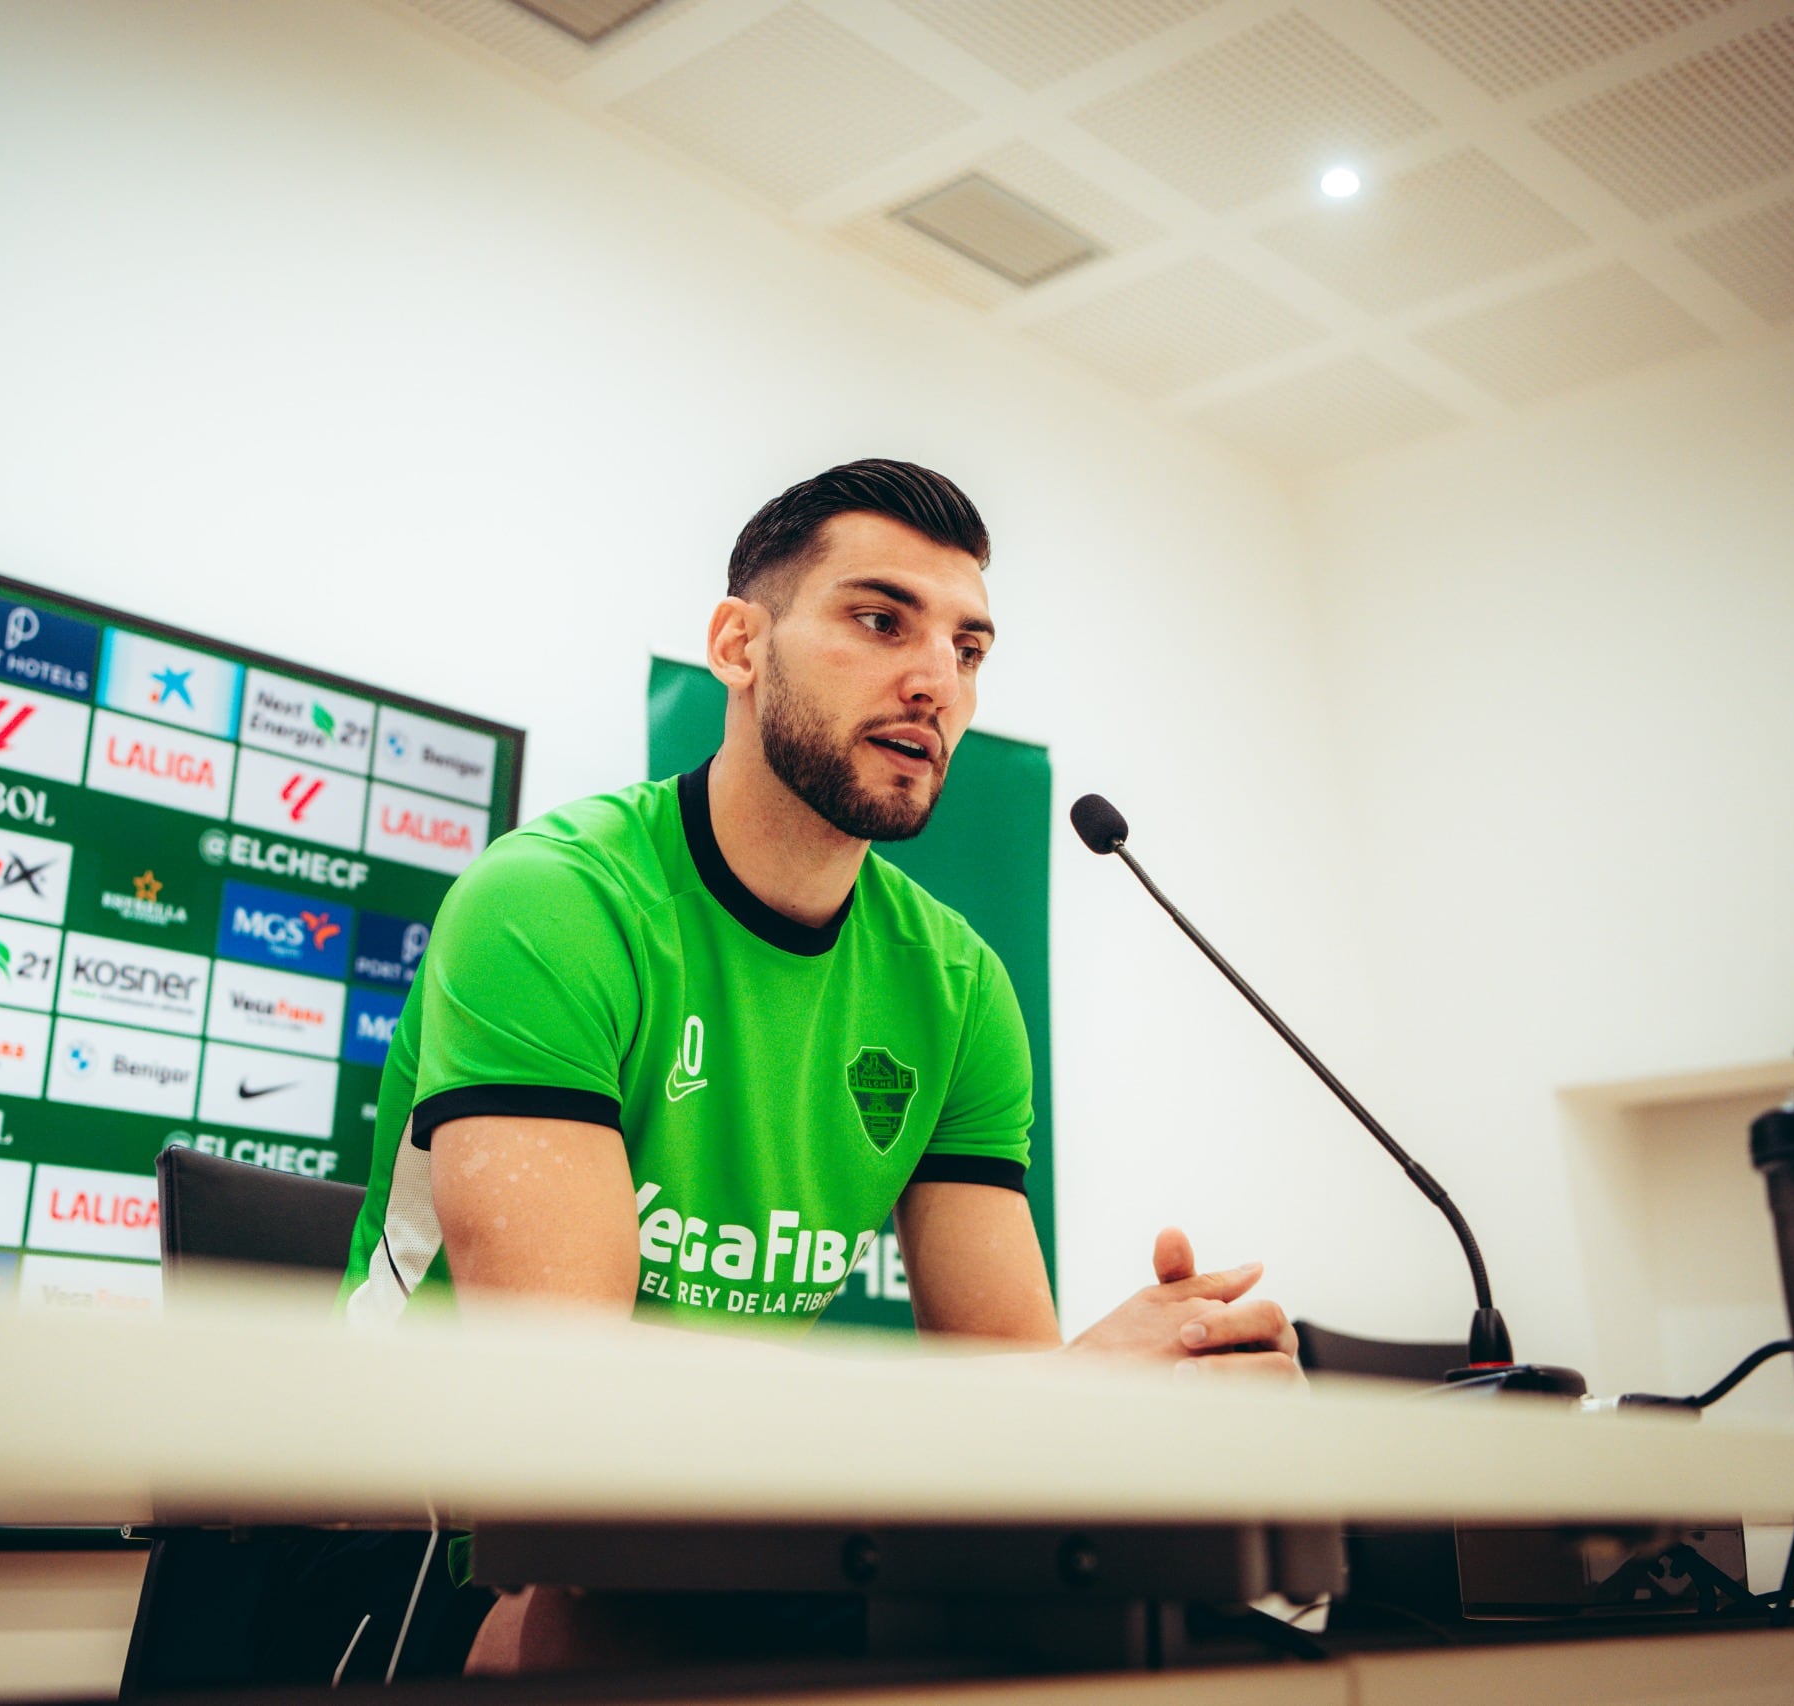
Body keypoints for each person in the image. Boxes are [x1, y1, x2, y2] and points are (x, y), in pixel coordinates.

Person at [336, 459, 1301, 1670]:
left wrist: (1159, 1395)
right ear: (739, 644)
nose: (934, 681)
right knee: (625, 1626)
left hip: (719, 1543)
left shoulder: (954, 985)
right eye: (879, 618)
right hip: (424, 1547)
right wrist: (1070, 1387)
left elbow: (1006, 1404)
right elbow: (568, 1425)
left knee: (1164, 1640)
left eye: (969, 647)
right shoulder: (552, 902)